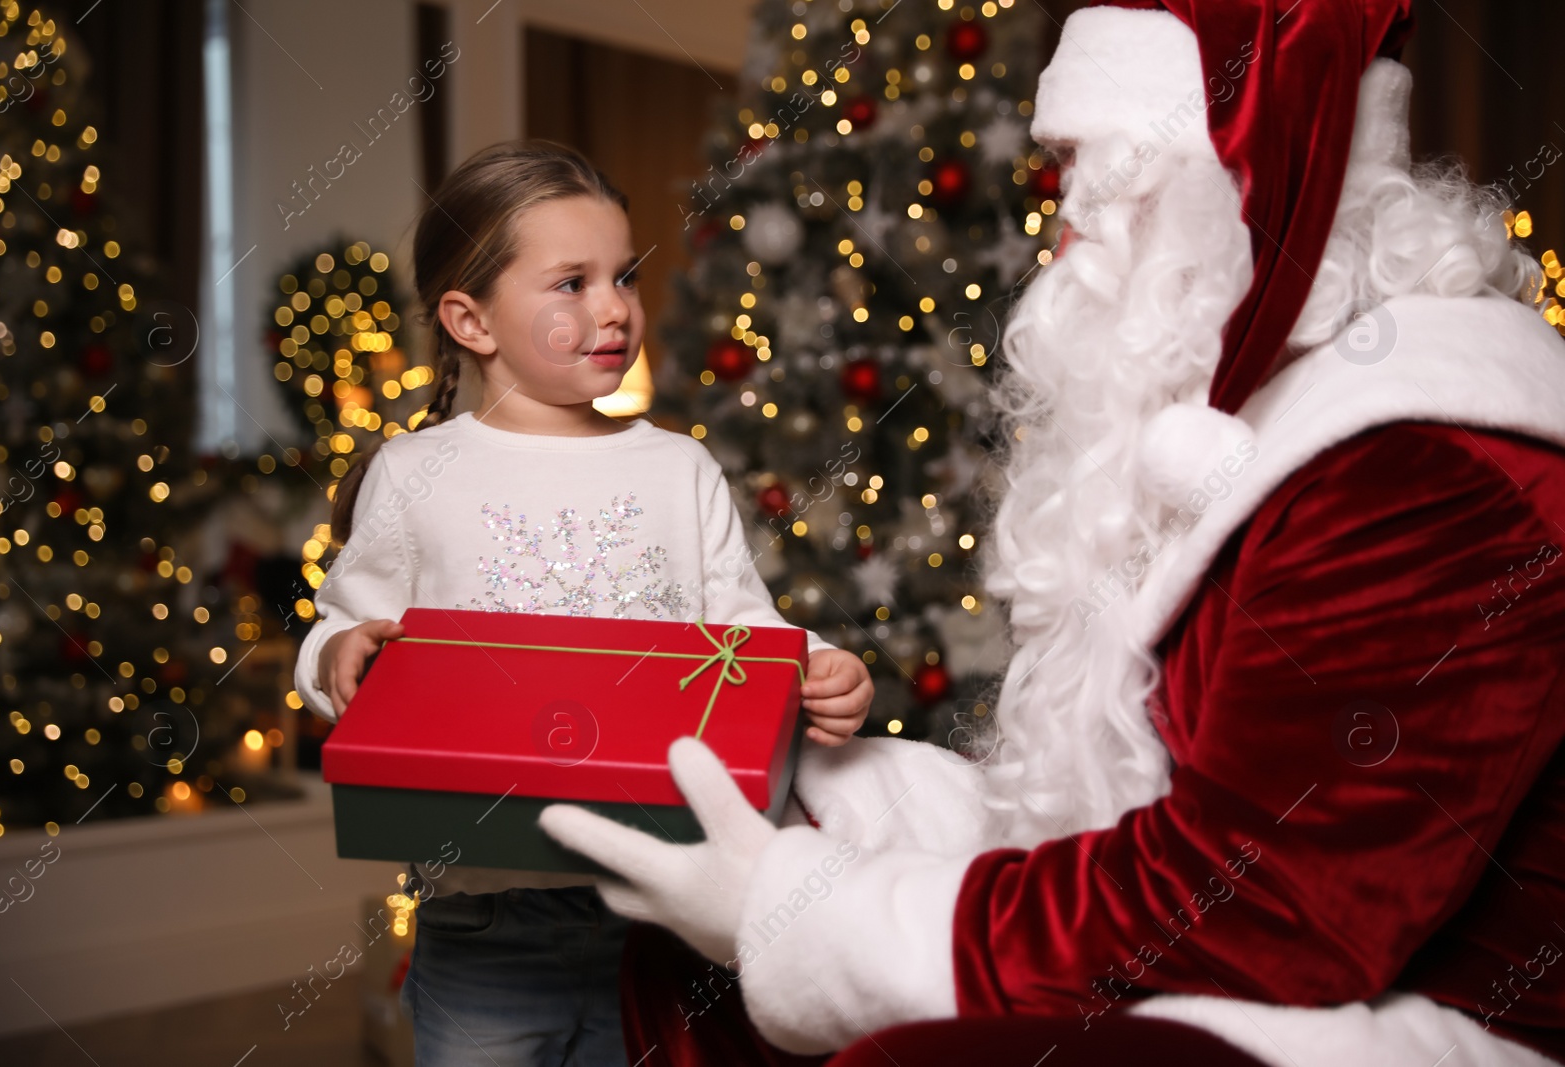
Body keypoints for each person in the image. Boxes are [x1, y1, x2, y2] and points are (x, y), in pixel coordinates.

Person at [539, 4, 1565, 1066]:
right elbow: (1119, 810)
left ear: (1225, 186)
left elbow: (1267, 909)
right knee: (708, 939)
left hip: (1432, 1019)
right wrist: (822, 807)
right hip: (1254, 953)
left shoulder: (1424, 463)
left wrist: (806, 914)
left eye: (1090, 171)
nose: (1061, 223)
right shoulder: (1233, 409)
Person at [292, 140, 874, 1067]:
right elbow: (340, 630)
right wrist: (337, 656)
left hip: (660, 911)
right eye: (571, 282)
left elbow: (744, 633)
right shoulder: (413, 473)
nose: (613, 308)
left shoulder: (676, 467)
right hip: (482, 918)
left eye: (624, 277)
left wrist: (815, 666)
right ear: (469, 321)